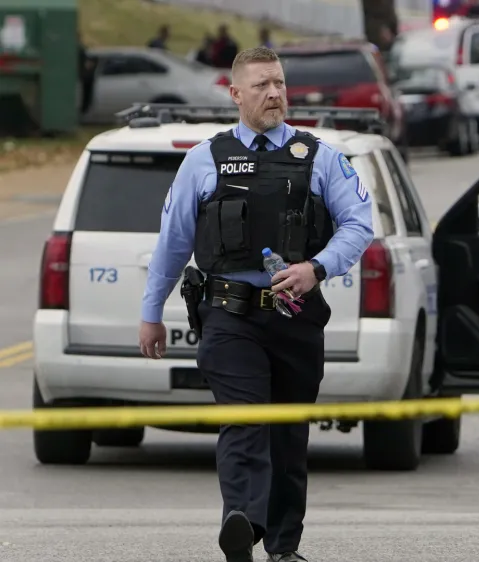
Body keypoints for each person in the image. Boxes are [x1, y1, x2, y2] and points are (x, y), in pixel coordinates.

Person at [137, 46, 375, 561]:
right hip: (229, 315)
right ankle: (241, 523)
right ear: (236, 94)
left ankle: (284, 548)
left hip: (295, 317)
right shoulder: (203, 160)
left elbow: (359, 225)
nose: (275, 94)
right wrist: (151, 312)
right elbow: (174, 243)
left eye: (281, 84)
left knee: (289, 437)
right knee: (245, 421)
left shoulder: (321, 157)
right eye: (263, 85)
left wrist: (317, 268)